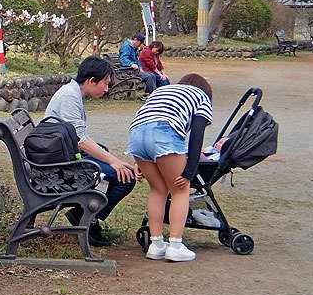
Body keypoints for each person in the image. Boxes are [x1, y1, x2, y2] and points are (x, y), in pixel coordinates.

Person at [45, 55, 139, 247]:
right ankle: (86, 217)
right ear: (91, 81)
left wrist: (113, 159)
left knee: (123, 172)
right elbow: (81, 141)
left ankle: (85, 216)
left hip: (64, 157)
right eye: (105, 83)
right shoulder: (70, 97)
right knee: (125, 178)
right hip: (60, 166)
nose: (107, 89)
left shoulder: (73, 93)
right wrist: (113, 161)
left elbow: (80, 137)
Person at [126, 73, 214, 262]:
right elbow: (197, 135)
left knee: (158, 190)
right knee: (180, 190)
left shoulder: (163, 90)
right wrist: (190, 171)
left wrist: (138, 161)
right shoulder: (202, 97)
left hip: (136, 133)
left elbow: (145, 119)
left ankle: (156, 245)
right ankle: (175, 245)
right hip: (164, 132)